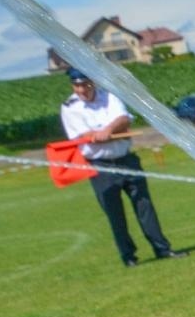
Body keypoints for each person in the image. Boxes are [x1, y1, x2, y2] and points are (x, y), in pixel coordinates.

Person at [58, 68, 186, 267]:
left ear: (92, 82)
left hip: (126, 159)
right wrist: (99, 135)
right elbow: (82, 136)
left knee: (144, 206)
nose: (81, 89)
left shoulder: (109, 96)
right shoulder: (70, 107)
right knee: (114, 213)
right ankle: (128, 256)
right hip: (100, 166)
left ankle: (162, 248)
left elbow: (124, 119)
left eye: (84, 84)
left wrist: (108, 130)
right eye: (77, 85)